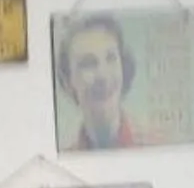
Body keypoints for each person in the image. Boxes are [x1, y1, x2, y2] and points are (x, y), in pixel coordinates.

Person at [56, 14, 139, 149]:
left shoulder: (159, 146)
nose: (103, 76)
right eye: (88, 63)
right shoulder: (67, 156)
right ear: (68, 82)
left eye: (111, 58)